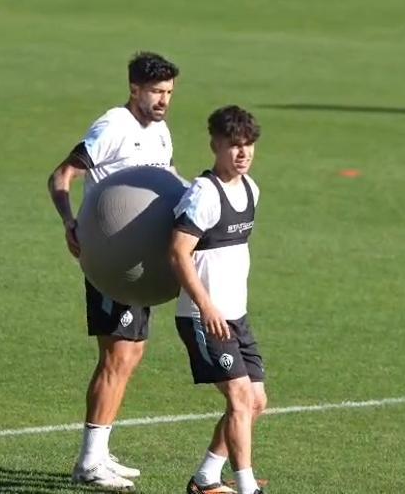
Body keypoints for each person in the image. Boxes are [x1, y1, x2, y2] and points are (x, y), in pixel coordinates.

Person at [48, 51, 179, 492]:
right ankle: (88, 461)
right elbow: (61, 176)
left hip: (142, 263)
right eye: (157, 92)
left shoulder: (160, 131)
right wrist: (70, 222)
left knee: (133, 354)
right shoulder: (112, 128)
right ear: (134, 89)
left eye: (169, 93)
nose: (163, 101)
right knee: (117, 355)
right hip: (112, 262)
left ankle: (100, 452)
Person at [169, 105, 267, 494]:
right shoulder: (203, 194)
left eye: (249, 145)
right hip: (203, 315)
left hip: (235, 316)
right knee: (241, 397)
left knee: (256, 401)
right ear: (216, 145)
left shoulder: (251, 189)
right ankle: (246, 487)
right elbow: (178, 252)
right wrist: (207, 305)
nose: (243, 153)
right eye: (234, 146)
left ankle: (206, 478)